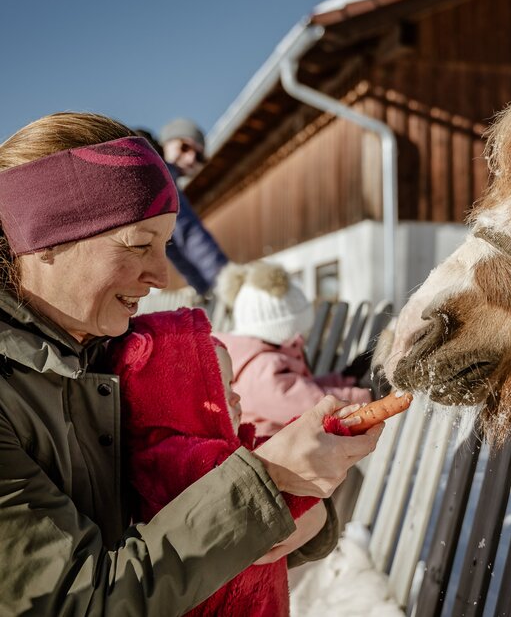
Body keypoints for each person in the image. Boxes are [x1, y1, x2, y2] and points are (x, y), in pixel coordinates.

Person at [0, 112, 380, 614]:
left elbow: (190, 499)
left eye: (165, 246)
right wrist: (268, 484)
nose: (161, 275)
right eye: (140, 244)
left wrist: (305, 513)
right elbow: (79, 600)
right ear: (45, 240)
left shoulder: (118, 354)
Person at [110, 307, 354, 616]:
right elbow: (259, 490)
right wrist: (326, 435)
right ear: (181, 399)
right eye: (220, 387)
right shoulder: (181, 462)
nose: (237, 398)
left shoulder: (226, 446)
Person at [215, 261, 372, 438]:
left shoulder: (264, 356)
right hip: (273, 452)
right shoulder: (261, 370)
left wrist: (346, 378)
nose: (299, 337)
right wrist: (366, 393)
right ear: (276, 331)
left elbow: (304, 388)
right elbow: (313, 406)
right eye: (295, 331)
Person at [154, 118, 229, 296]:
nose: (190, 158)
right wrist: (227, 280)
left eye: (199, 156)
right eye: (185, 147)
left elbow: (176, 249)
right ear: (166, 143)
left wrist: (206, 290)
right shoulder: (161, 176)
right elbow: (189, 233)